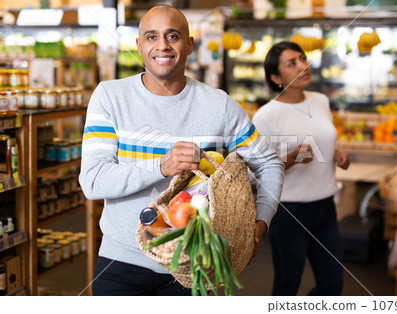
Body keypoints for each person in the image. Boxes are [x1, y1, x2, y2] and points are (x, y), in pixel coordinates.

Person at [78, 5, 284, 296]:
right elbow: (93, 181)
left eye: (172, 36)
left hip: (199, 266)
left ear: (189, 44)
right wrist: (162, 166)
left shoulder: (219, 105)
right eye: (151, 37)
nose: (162, 45)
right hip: (121, 264)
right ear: (139, 46)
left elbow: (269, 164)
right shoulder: (110, 97)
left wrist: (258, 226)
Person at [252, 41, 350, 296]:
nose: (302, 66)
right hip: (289, 212)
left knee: (332, 287)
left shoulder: (320, 100)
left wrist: (336, 154)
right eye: (291, 63)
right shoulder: (265, 116)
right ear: (275, 77)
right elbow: (255, 170)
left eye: (303, 59)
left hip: (325, 207)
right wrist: (292, 158)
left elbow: (323, 141)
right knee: (287, 288)